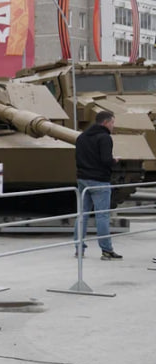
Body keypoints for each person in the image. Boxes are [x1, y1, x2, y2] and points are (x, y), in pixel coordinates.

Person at [75, 110, 122, 260]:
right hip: (99, 181)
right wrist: (115, 160)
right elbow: (106, 160)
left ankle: (79, 249)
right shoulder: (105, 138)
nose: (113, 126)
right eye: (113, 122)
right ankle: (106, 250)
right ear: (106, 122)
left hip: (83, 179)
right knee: (102, 215)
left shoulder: (81, 137)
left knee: (82, 215)